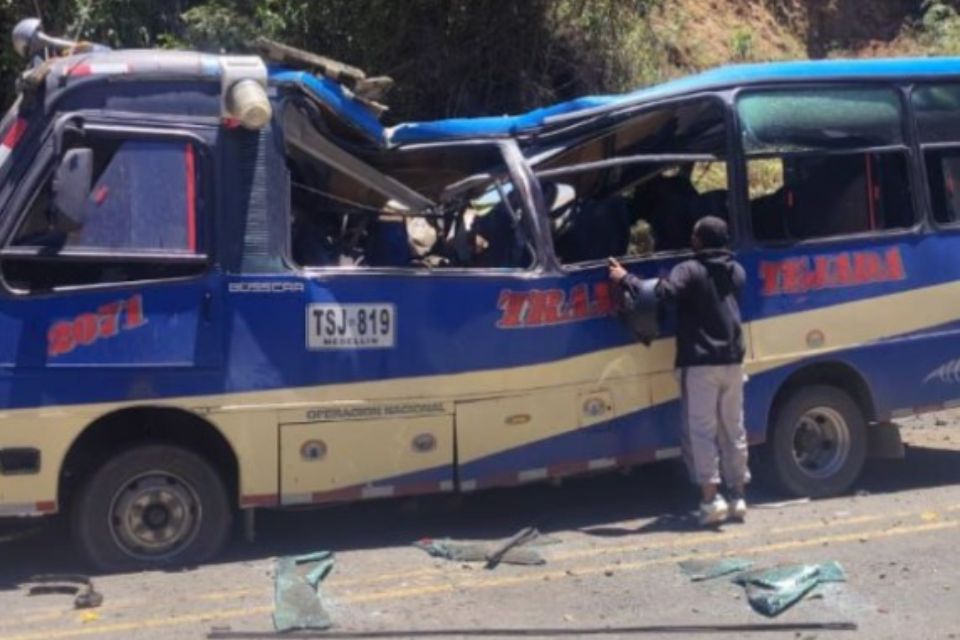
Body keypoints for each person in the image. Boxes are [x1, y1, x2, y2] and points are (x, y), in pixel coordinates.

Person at [609, 216, 750, 525]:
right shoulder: (736, 270)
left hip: (700, 363)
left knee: (701, 432)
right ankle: (738, 495)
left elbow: (663, 294)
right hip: (733, 359)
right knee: (733, 428)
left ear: (698, 240)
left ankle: (711, 500)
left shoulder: (688, 269)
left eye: (694, 235)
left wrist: (625, 279)